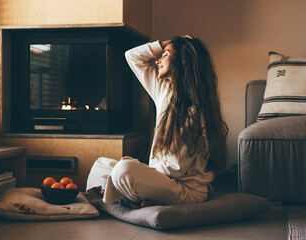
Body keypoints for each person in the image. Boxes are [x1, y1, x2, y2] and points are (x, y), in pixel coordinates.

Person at [86, 35, 228, 207]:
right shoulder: (164, 91)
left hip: (185, 190)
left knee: (124, 171)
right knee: (101, 164)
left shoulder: (194, 112)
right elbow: (132, 56)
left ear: (182, 61)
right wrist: (167, 43)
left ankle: (124, 195)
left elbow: (174, 168)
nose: (157, 61)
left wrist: (138, 174)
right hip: (163, 180)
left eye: (165, 54)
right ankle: (131, 196)